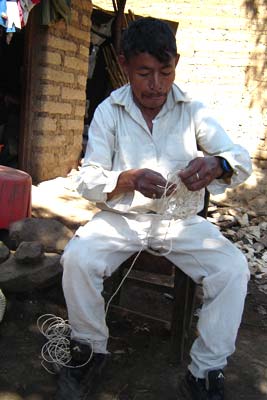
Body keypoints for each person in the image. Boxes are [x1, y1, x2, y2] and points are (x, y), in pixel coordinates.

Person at [56, 17, 252, 400]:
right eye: (144, 73)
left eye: (166, 72)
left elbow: (238, 157)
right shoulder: (108, 111)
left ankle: (205, 371)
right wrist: (126, 179)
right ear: (125, 64)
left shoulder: (193, 110)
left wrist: (218, 165)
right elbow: (87, 179)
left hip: (180, 221)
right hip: (121, 219)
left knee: (232, 269)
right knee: (78, 258)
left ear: (176, 63)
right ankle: (90, 350)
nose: (156, 85)